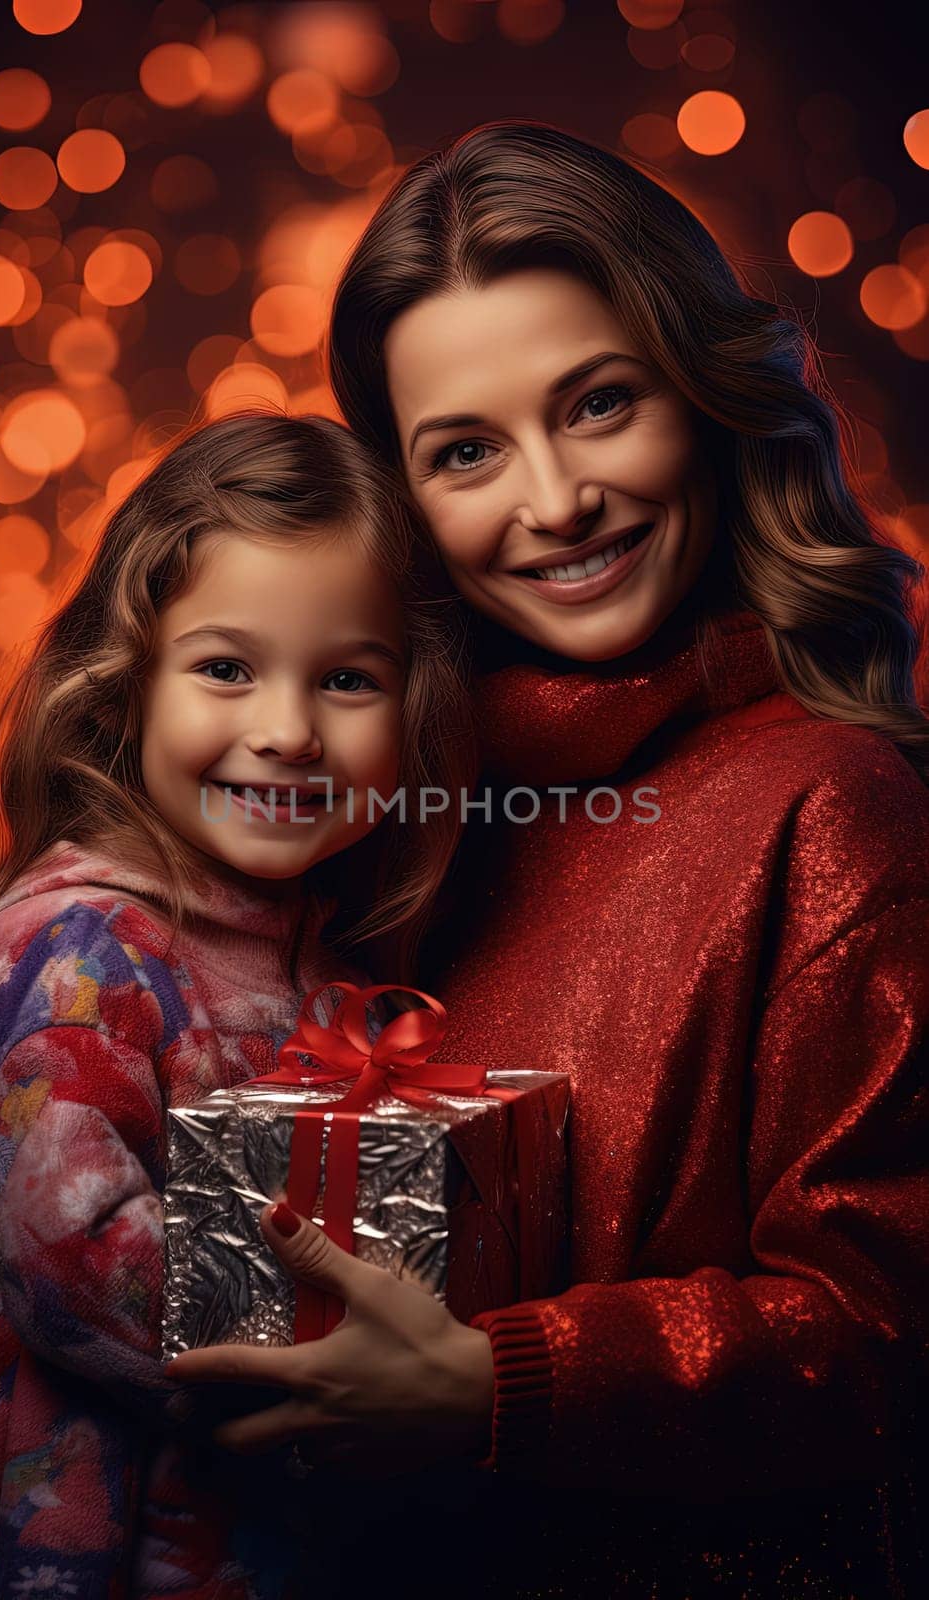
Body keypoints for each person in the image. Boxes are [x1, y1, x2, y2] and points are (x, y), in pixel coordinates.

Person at [167, 123, 929, 1598]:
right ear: (398, 494)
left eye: (597, 406)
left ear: (703, 399)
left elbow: (887, 1327)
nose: (556, 501)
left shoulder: (835, 810)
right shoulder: (346, 799)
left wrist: (503, 1385)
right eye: (466, 450)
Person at [0, 411, 476, 1600]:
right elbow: (69, 1249)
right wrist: (350, 1353)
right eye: (227, 667)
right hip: (107, 1550)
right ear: (128, 688)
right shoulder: (86, 953)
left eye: (345, 678)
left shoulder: (330, 968)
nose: (285, 732)